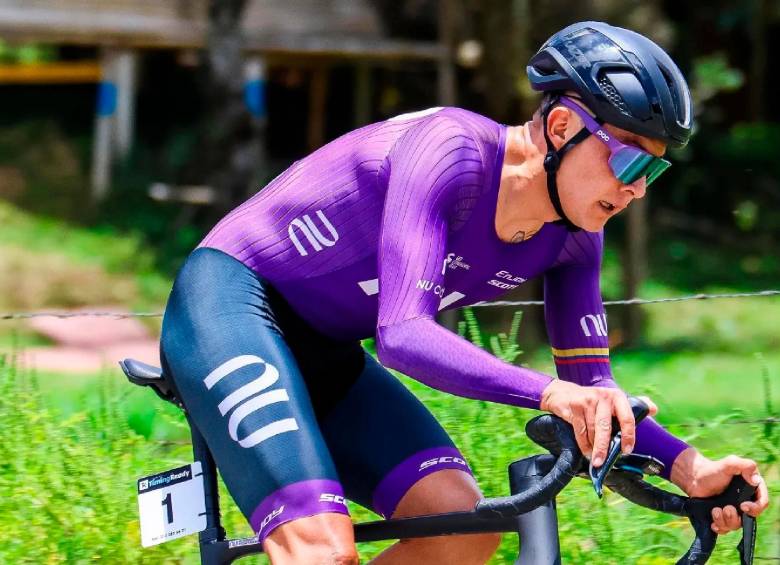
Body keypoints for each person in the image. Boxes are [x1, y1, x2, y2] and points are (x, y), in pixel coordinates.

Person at [160, 21, 769, 564]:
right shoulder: (451, 152)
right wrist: (552, 394)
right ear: (561, 127)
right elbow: (402, 336)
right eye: (631, 164)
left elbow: (595, 396)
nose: (637, 191)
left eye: (654, 174)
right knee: (320, 550)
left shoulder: (575, 237)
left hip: (326, 355)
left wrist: (694, 469)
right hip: (231, 306)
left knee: (464, 527)